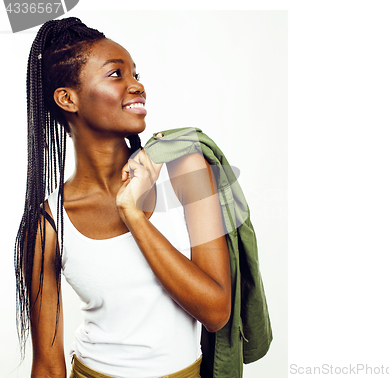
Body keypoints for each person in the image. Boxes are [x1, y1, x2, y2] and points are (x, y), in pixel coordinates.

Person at [15, 17, 231, 378]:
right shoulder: (48, 224)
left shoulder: (185, 171)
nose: (137, 85)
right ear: (68, 99)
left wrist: (130, 211)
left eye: (136, 73)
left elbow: (216, 312)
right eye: (117, 74)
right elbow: (48, 365)